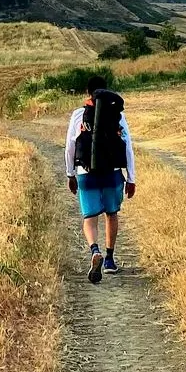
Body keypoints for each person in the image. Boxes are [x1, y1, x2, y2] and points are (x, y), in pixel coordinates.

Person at [64, 75, 136, 283]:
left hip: (86, 172)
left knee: (90, 218)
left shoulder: (79, 114)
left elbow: (70, 147)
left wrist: (71, 174)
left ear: (88, 93)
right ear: (106, 91)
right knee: (111, 214)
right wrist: (131, 178)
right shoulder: (117, 115)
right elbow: (127, 146)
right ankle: (110, 260)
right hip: (112, 172)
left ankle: (95, 250)